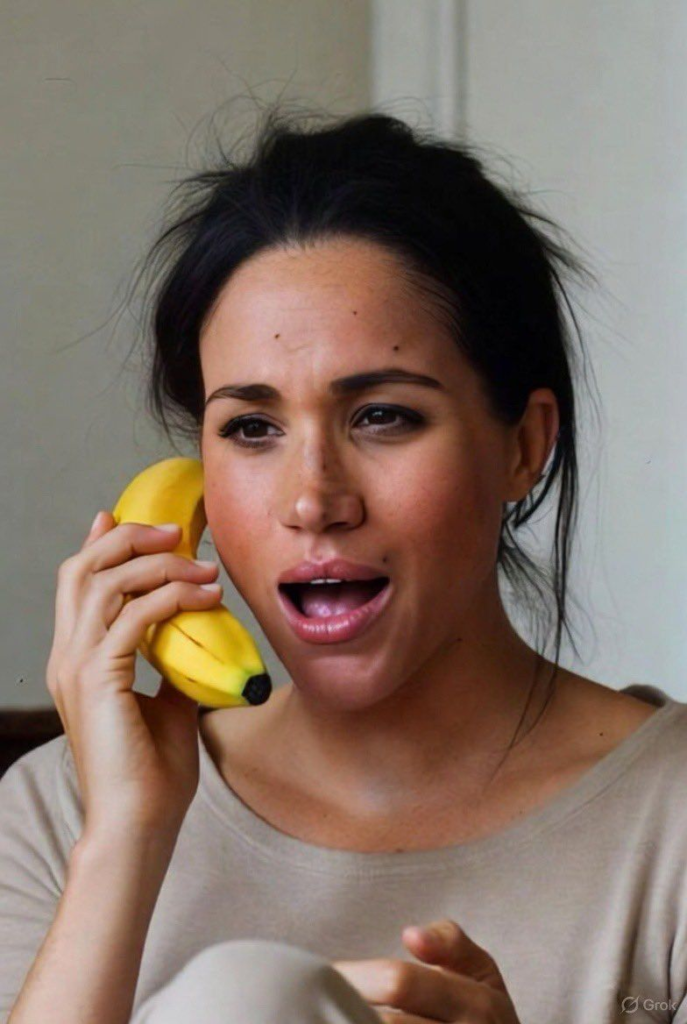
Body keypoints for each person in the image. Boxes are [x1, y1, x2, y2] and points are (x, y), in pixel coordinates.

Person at [2, 103, 687, 1024]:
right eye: (251, 428)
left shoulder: (670, 821)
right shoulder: (59, 813)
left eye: (382, 416)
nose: (312, 499)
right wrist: (125, 837)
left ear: (522, 446)